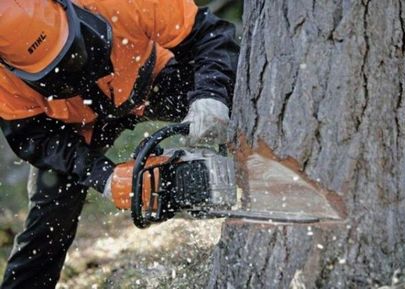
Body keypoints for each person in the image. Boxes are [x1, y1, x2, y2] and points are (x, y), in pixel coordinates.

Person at [0, 0, 239, 288]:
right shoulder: (4, 81)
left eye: (71, 53)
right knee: (48, 227)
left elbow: (209, 35)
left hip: (149, 79)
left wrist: (211, 95)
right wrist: (104, 176)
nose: (72, 71)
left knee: (236, 94)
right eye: (55, 72)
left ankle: (258, 176)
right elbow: (34, 136)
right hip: (78, 128)